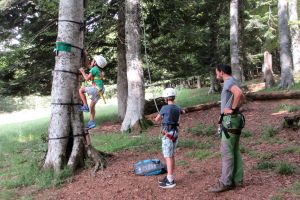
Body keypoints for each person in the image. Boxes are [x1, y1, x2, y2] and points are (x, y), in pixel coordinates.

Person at [208, 64, 245, 193]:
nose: (216, 74)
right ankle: (237, 180)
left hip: (230, 120)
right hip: (234, 120)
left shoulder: (229, 82)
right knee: (234, 150)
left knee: (226, 151)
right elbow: (242, 97)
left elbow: (239, 93)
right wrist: (236, 109)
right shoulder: (233, 81)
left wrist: (232, 109)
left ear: (222, 72)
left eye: (216, 72)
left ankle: (225, 182)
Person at [154, 88, 184, 189]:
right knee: (171, 155)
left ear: (166, 98)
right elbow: (182, 111)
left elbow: (157, 119)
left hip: (168, 134)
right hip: (175, 133)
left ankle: (170, 180)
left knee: (168, 156)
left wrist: (161, 116)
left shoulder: (164, 108)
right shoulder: (177, 107)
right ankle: (169, 176)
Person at [79, 50, 107, 129]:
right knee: (92, 107)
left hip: (96, 89)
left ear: (95, 63)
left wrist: (82, 72)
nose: (91, 61)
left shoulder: (94, 69)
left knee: (81, 90)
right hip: (101, 90)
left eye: (93, 60)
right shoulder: (98, 69)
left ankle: (85, 106)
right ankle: (91, 122)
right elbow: (88, 65)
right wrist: (85, 55)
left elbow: (87, 79)